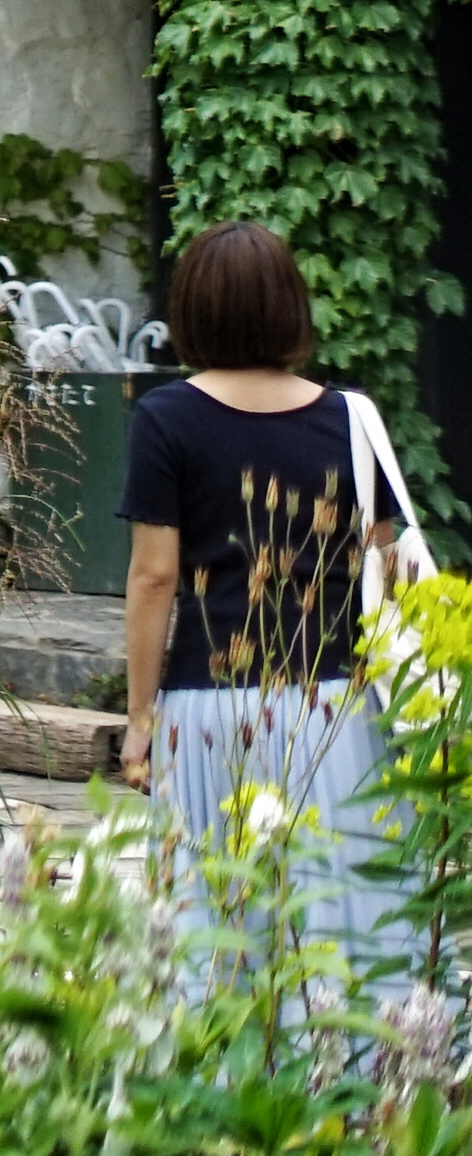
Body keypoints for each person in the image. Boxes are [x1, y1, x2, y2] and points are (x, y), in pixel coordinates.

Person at [116, 216, 417, 970]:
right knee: (345, 917)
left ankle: (212, 1073)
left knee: (208, 923)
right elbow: (395, 566)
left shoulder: (165, 418)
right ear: (290, 307)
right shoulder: (351, 419)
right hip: (336, 705)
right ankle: (365, 1075)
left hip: (207, 707)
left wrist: (139, 721)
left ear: (192, 311)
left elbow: (155, 577)